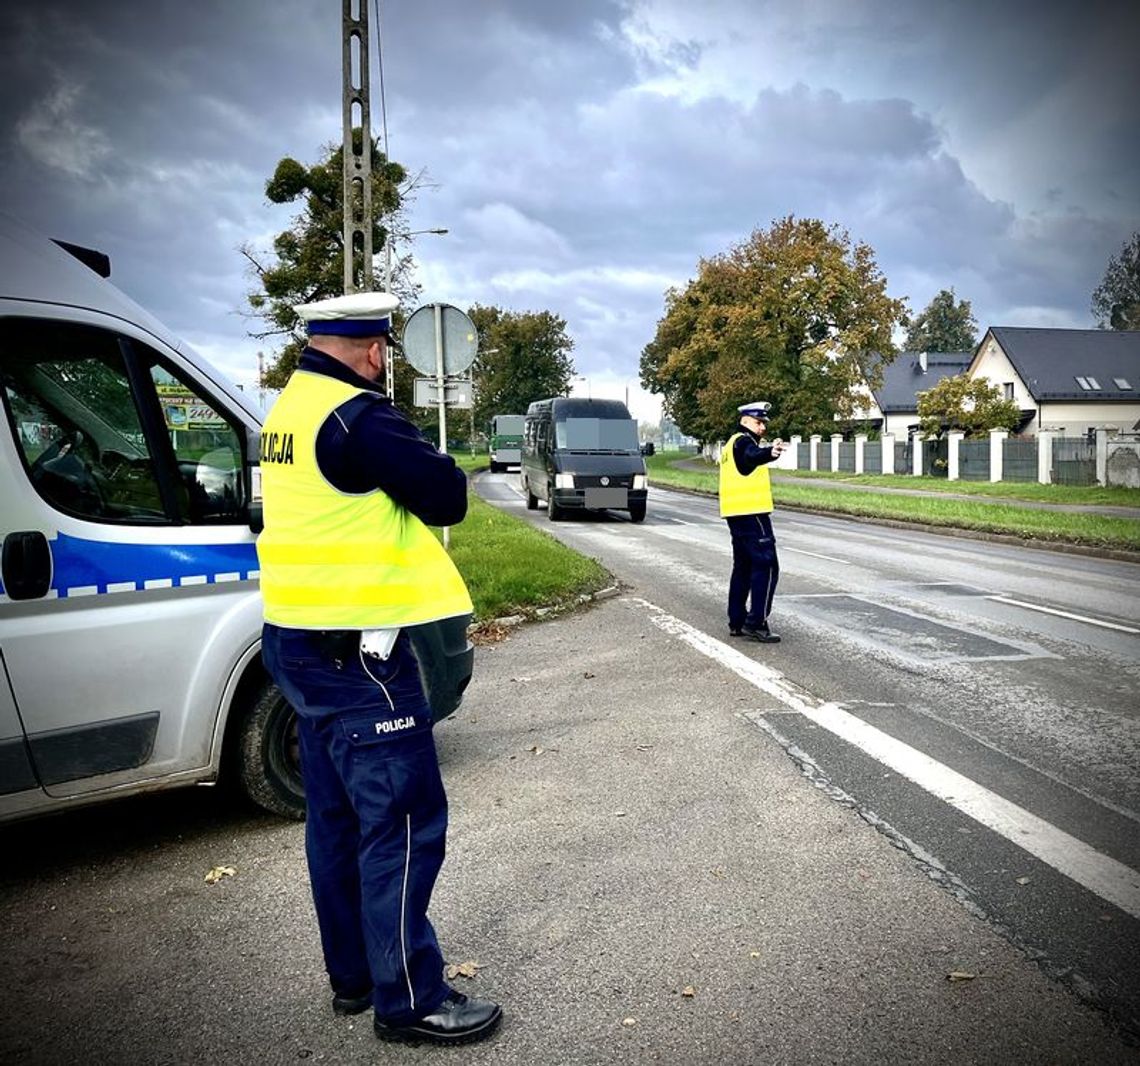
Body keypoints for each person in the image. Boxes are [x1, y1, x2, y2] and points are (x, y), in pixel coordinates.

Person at [256, 292, 502, 1046]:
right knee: (400, 822)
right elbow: (448, 496)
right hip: (361, 658)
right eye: (386, 350)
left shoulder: (286, 414)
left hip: (296, 645)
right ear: (373, 351)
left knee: (333, 821)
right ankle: (410, 1000)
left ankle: (355, 979)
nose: (385, 362)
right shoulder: (356, 417)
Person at [719, 400, 786, 644]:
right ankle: (756, 622)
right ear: (745, 421)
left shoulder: (729, 444)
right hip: (752, 514)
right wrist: (770, 453)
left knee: (743, 567)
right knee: (767, 565)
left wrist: (765, 451)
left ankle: (737, 620)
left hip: (735, 514)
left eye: (764, 423)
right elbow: (752, 456)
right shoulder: (743, 442)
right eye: (758, 422)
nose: (762, 428)